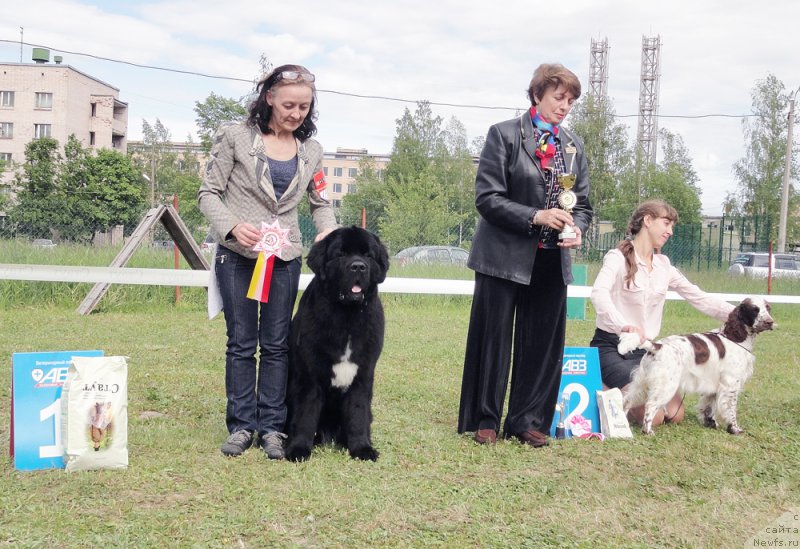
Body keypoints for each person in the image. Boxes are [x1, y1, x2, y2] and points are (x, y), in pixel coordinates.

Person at [198, 64, 336, 459]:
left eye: (304, 107)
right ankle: (242, 425)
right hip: (239, 257)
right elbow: (208, 192)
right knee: (242, 343)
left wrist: (326, 229)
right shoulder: (235, 136)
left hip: (285, 258)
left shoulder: (312, 151)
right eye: (289, 104)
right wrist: (232, 227)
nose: (296, 114)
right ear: (269, 98)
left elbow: (320, 202)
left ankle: (273, 427)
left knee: (277, 345)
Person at [457, 63, 593, 447]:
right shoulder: (503, 135)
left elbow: (582, 204)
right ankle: (485, 418)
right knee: (493, 339)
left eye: (570, 101)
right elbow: (487, 198)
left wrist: (576, 227)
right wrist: (536, 216)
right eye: (558, 98)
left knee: (542, 344)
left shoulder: (573, 146)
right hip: (503, 256)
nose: (565, 106)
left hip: (551, 260)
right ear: (537, 95)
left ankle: (527, 419)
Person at [590, 200, 734, 426]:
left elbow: (699, 297)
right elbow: (599, 294)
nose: (670, 231)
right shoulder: (616, 258)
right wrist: (623, 326)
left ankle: (619, 393)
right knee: (655, 417)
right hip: (611, 347)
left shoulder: (664, 266)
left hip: (646, 352)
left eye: (672, 226)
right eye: (666, 224)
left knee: (675, 414)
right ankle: (596, 385)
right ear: (647, 220)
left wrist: (740, 315)